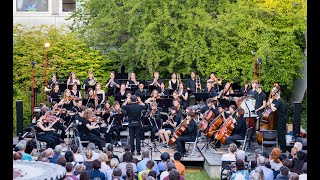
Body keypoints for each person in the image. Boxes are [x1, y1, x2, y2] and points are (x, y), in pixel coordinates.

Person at [269, 85, 287, 153]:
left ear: (277, 93)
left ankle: (283, 149)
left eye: (274, 94)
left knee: (281, 134)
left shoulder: (280, 101)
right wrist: (271, 103)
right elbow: (273, 105)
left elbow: (273, 109)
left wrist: (271, 103)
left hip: (281, 119)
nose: (274, 95)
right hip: (278, 119)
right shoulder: (277, 100)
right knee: (279, 134)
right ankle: (280, 148)